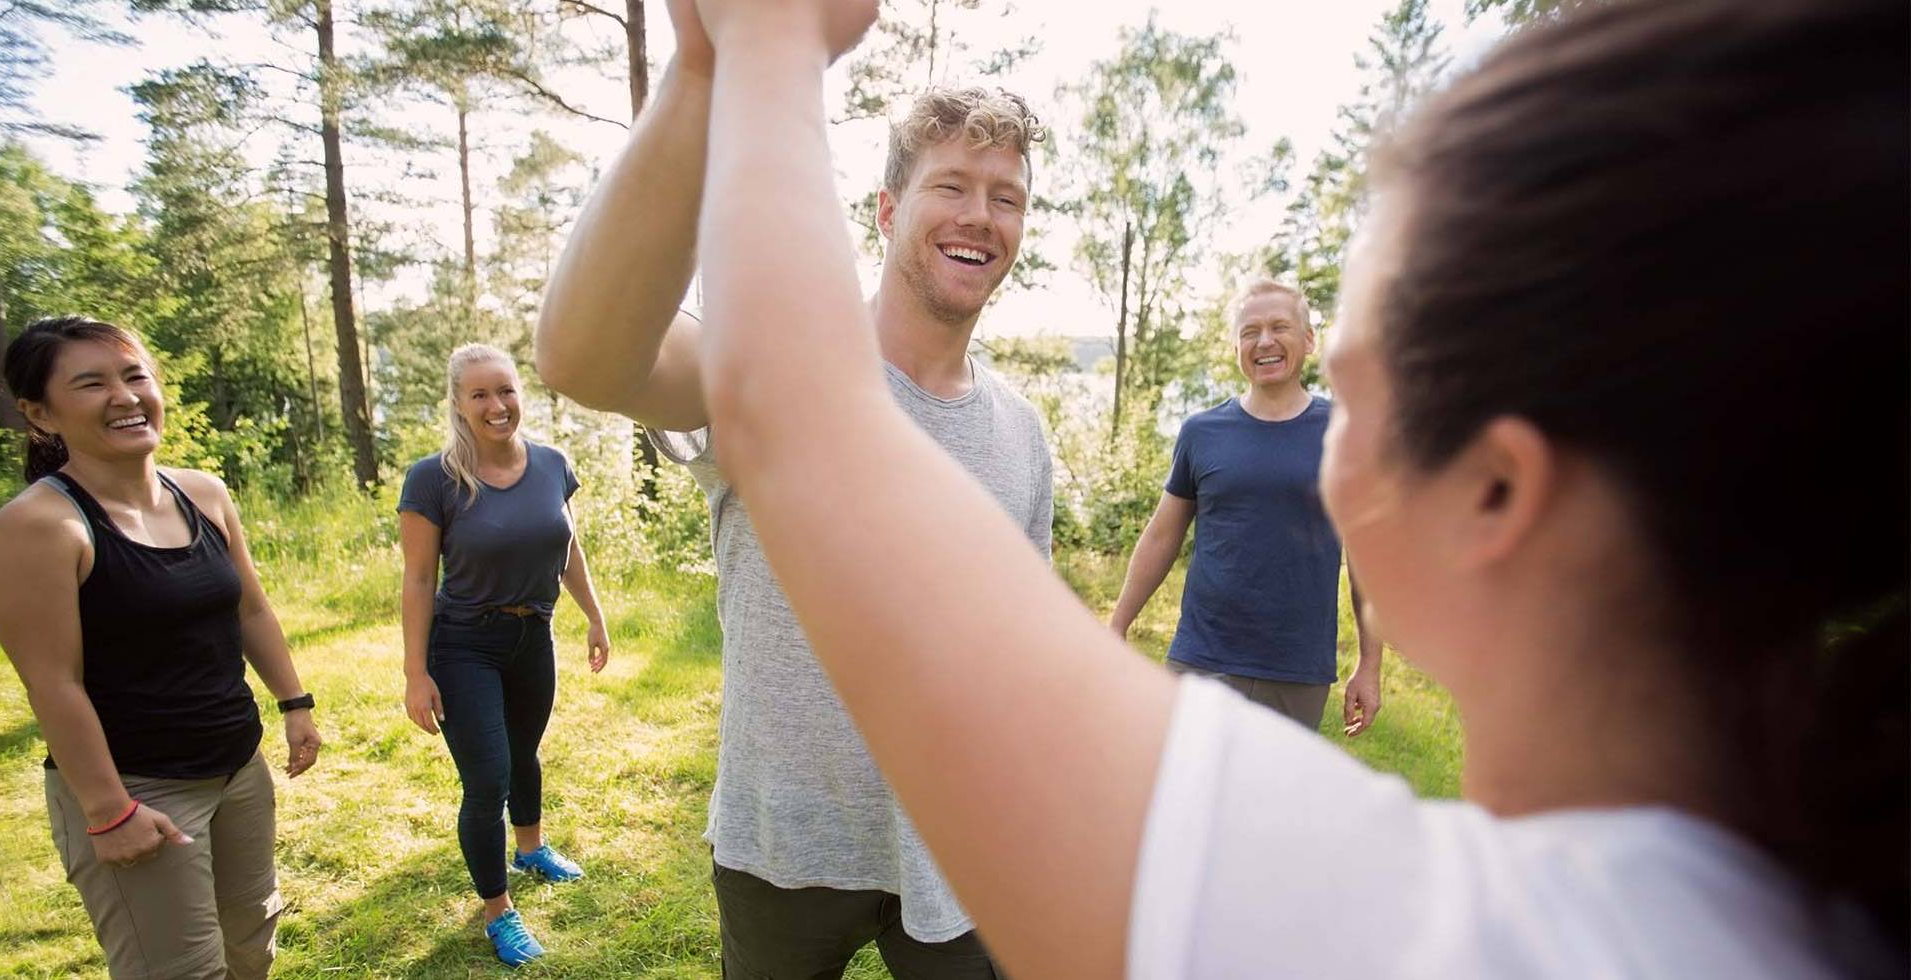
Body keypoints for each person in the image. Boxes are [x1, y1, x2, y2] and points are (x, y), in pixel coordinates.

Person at [672, 0, 1909, 977]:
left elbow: (796, 411)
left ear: (1495, 491)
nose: (1311, 427)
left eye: (1354, 390)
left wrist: (771, 34)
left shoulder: (1371, 924)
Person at [535, 9, 1051, 971]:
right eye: (951, 186)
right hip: (784, 844)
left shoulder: (1021, 429)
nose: (980, 214)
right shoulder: (777, 369)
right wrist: (700, 66)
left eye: (1006, 196)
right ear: (889, 210)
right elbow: (581, 355)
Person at [0, 315, 325, 979]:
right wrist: (109, 810)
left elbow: (250, 607)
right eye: (91, 383)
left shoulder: (203, 493)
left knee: (251, 944)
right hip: (140, 789)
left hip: (237, 771)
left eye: (135, 375)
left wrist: (295, 702)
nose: (124, 396)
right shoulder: (38, 526)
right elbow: (54, 683)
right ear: (40, 414)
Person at [395, 343, 611, 968]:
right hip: (463, 643)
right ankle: (499, 911)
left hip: (532, 637)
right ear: (459, 406)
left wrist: (594, 617)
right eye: (481, 395)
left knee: (523, 753)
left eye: (507, 390)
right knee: (487, 778)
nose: (498, 406)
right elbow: (416, 579)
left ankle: (532, 846)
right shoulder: (432, 478)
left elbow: (568, 547)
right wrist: (416, 672)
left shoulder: (551, 464)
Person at [1110, 277, 1383, 735]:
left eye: (1280, 327)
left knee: (1275, 804)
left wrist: (1369, 664)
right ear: (1236, 346)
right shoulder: (1201, 432)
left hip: (1298, 669)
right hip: (1202, 659)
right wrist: (1117, 626)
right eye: (1250, 331)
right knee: (1185, 797)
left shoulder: (1345, 433)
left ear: (1309, 339)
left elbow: (1367, 559)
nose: (1265, 342)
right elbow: (1162, 535)